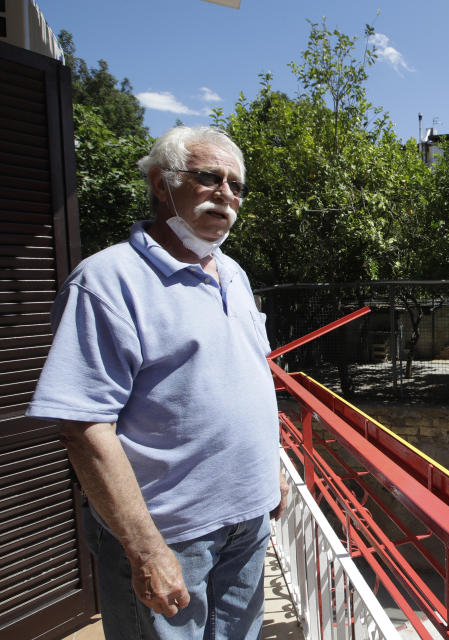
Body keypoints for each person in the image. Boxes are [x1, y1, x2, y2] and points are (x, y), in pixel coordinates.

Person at [27, 126, 287, 640]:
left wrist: (269, 467)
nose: (226, 195)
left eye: (236, 185)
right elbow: (83, 426)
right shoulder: (106, 281)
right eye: (209, 177)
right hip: (170, 537)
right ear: (160, 183)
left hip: (248, 518)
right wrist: (146, 549)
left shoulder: (233, 272)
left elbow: (248, 376)